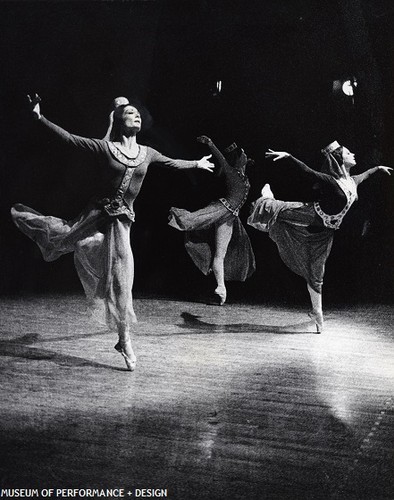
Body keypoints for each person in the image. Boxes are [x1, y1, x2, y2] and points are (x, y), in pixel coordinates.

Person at [11, 94, 214, 371]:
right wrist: (39, 118)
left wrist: (197, 164)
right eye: (130, 113)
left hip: (122, 225)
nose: (137, 116)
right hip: (95, 217)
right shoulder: (106, 148)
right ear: (120, 121)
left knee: (123, 282)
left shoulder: (147, 152)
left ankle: (124, 339)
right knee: (76, 241)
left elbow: (173, 162)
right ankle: (87, 248)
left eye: (138, 113)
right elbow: (70, 139)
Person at [247, 141, 392, 332]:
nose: (353, 154)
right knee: (276, 208)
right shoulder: (332, 181)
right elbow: (308, 172)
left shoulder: (351, 181)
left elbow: (364, 176)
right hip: (309, 215)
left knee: (316, 273)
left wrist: (377, 168)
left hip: (325, 232)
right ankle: (268, 198)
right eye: (349, 153)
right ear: (340, 159)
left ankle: (317, 312)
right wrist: (289, 156)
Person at [168, 135, 256, 305]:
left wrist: (245, 159)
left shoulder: (242, 172)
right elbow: (222, 159)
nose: (245, 154)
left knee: (220, 255)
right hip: (221, 209)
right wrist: (210, 144)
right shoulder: (231, 171)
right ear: (238, 159)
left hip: (231, 216)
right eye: (242, 153)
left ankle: (221, 289)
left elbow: (246, 160)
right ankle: (177, 218)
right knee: (194, 219)